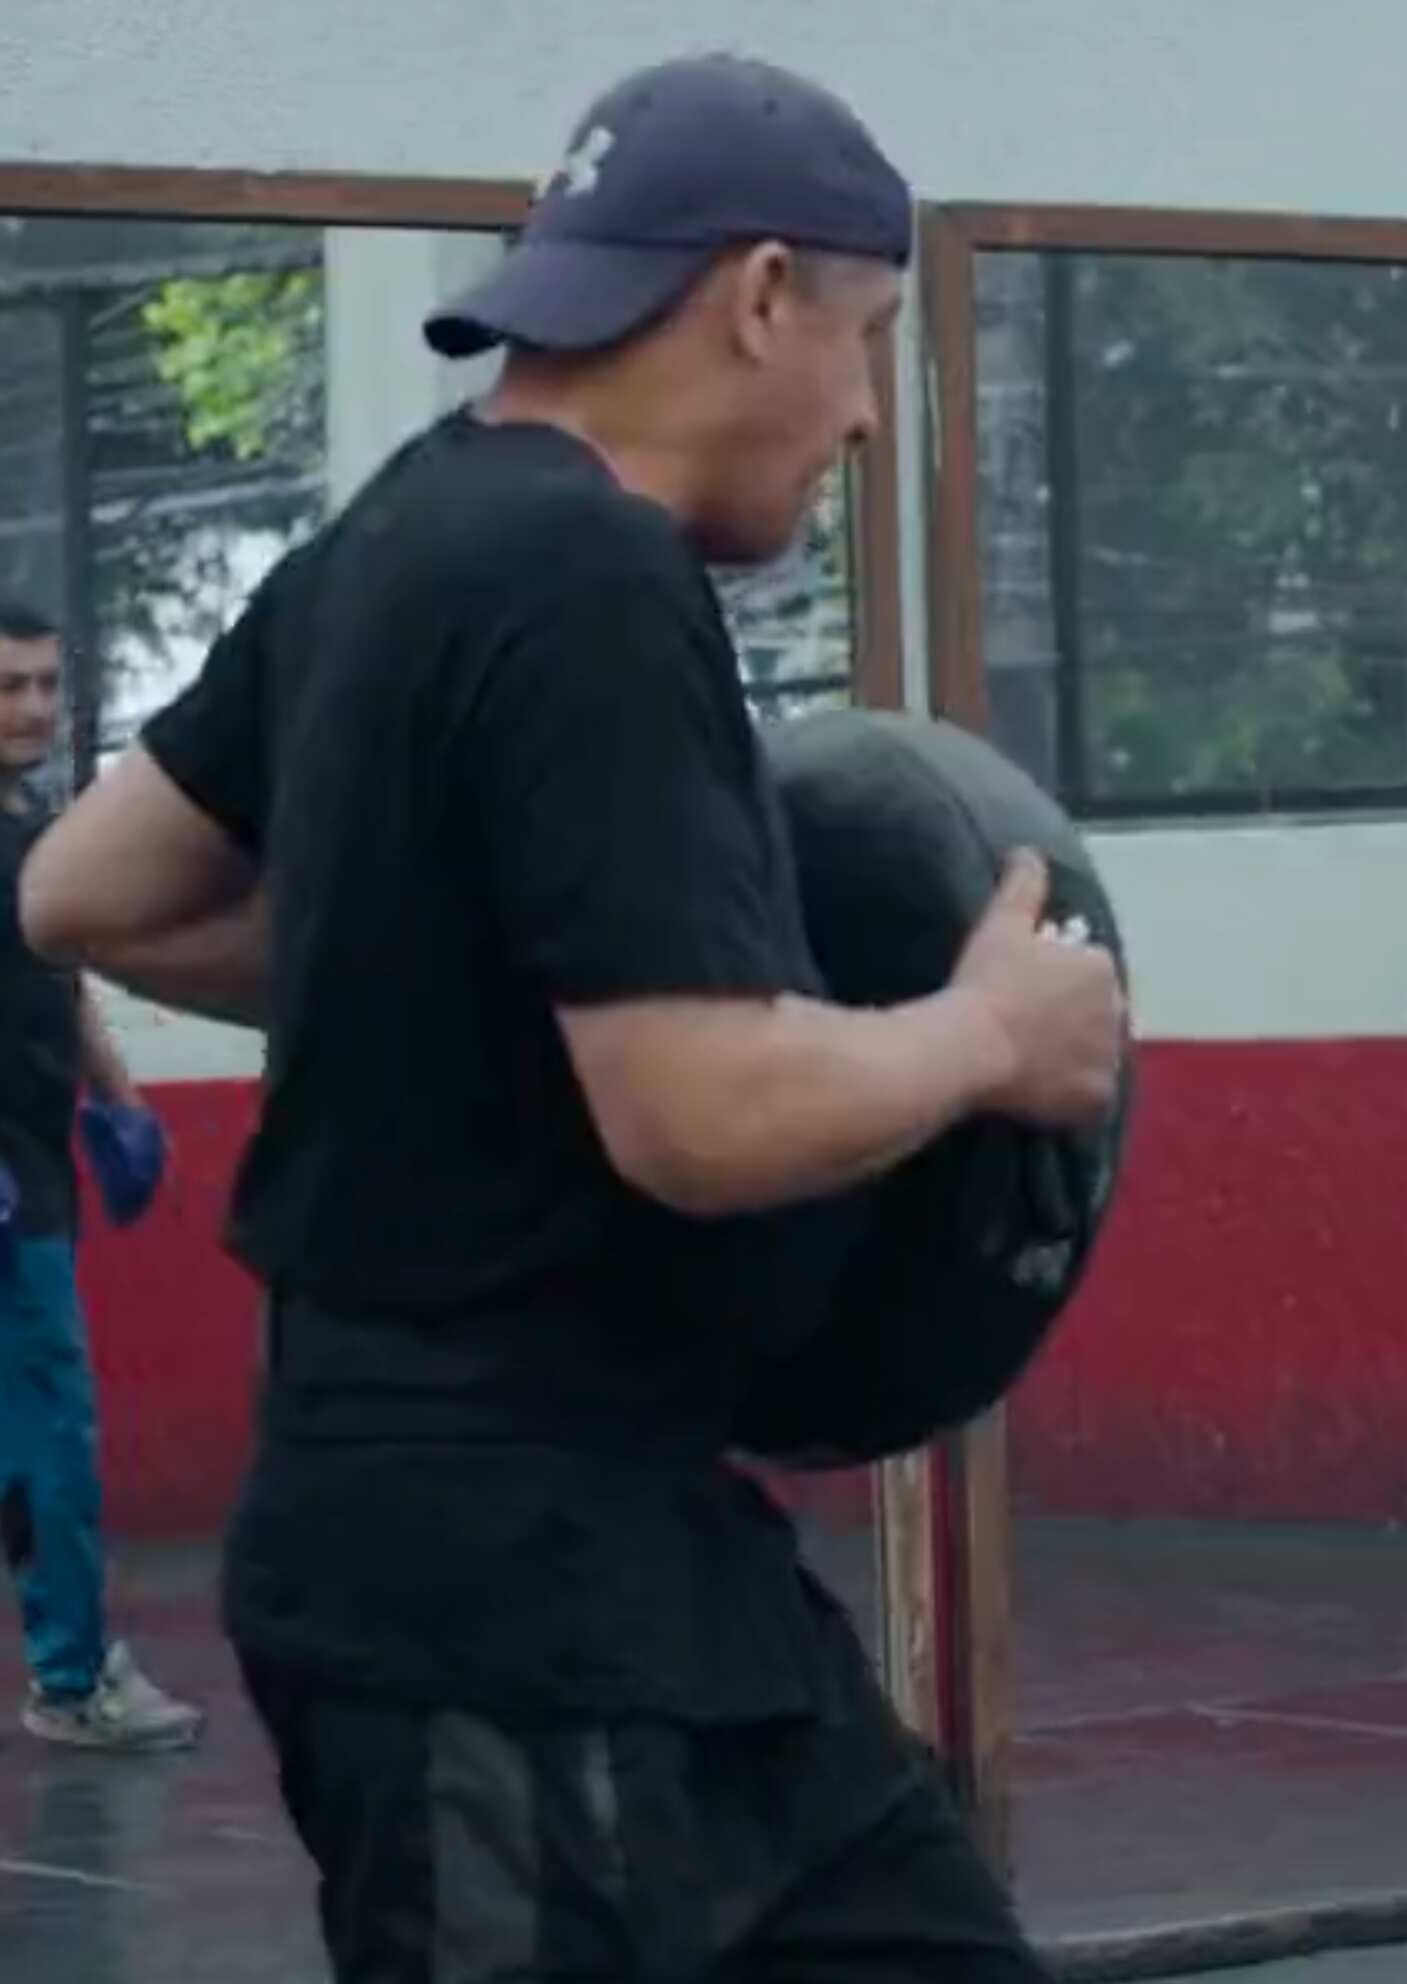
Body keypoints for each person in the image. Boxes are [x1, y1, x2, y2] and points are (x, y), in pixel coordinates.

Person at [18, 54, 1122, 1978]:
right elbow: (694, 1112)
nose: (864, 415)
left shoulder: (404, 527)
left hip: (640, 1561)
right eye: (864, 341)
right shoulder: (592, 567)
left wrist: (444, 969)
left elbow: (86, 885)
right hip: (485, 1594)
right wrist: (989, 1037)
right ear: (760, 294)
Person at [0, 596, 202, 1753]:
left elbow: (58, 978)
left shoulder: (34, 829)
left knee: (38, 1428)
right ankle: (74, 1681)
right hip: (9, 1185)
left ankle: (70, 1666)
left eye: (43, 683)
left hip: (39, 1163)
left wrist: (119, 1095)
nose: (31, 707)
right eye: (6, 686)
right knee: (52, 1427)